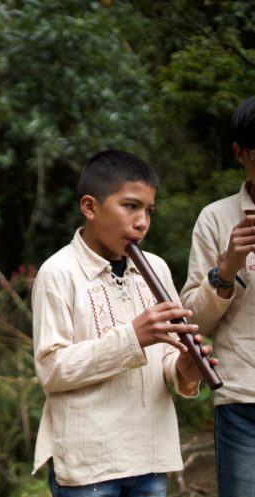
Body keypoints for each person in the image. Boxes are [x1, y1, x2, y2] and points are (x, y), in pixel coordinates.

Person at [31, 150, 216, 496]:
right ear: (90, 207)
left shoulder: (157, 269)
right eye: (130, 206)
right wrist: (132, 337)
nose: (142, 221)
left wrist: (186, 367)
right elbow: (51, 370)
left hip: (150, 456)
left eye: (148, 210)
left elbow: (166, 364)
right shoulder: (58, 273)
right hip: (89, 465)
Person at [180, 96, 255, 497]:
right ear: (240, 153)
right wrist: (226, 269)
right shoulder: (216, 218)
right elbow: (193, 320)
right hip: (243, 399)